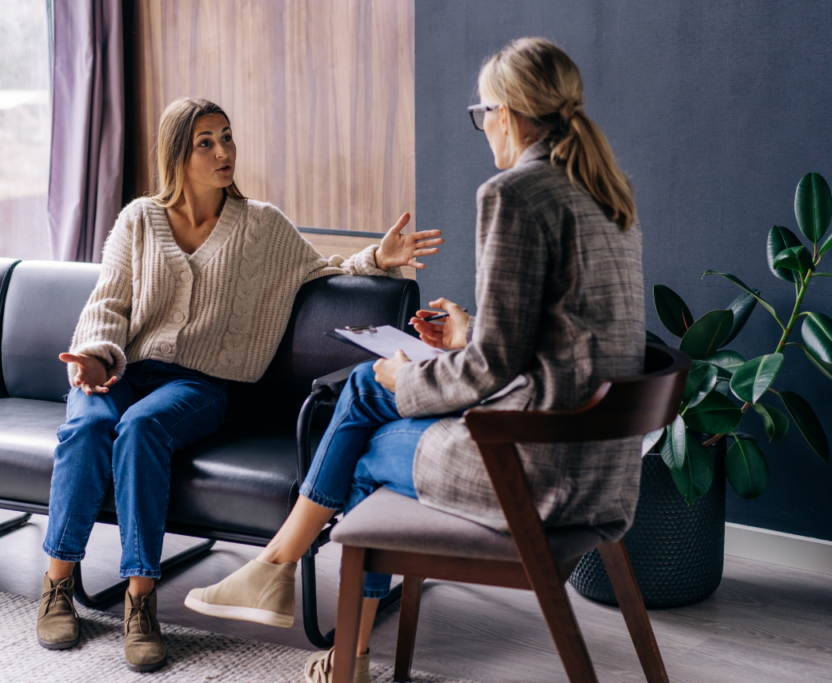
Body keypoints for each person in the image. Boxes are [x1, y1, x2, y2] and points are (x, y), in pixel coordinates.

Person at [185, 37, 645, 683]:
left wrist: (415, 373)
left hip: (535, 470)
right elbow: (561, 336)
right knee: (371, 396)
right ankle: (295, 590)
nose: (483, 127)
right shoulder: (605, 193)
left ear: (505, 114)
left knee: (367, 432)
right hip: (601, 466)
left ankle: (308, 606)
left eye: (482, 113)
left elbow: (490, 371)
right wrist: (470, 332)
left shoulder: (515, 193)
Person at [34, 96, 444, 672]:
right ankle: (57, 585)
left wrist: (380, 256)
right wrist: (96, 360)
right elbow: (109, 304)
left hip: (197, 385)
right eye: (207, 142)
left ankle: (140, 601)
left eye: (227, 137)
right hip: (120, 367)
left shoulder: (260, 226)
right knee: (88, 426)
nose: (224, 151)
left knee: (141, 429)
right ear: (178, 154)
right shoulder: (138, 220)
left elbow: (319, 269)